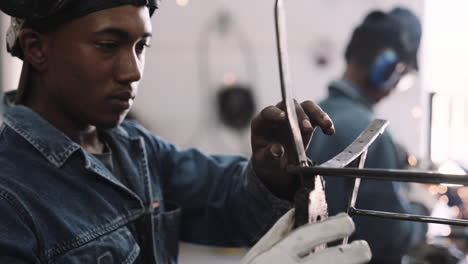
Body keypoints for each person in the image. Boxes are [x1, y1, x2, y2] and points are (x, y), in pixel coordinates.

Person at [0, 1, 373, 263]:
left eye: (141, 46)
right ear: (36, 49)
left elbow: (228, 205)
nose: (133, 71)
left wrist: (270, 173)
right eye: (108, 45)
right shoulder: (10, 193)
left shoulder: (137, 151)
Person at [307, 7, 428, 264]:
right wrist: (422, 210)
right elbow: (387, 239)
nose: (397, 87)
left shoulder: (311, 117)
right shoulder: (372, 135)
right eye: (402, 76)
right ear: (387, 67)